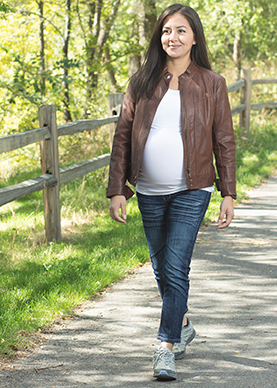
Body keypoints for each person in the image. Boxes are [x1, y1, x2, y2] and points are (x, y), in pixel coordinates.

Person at [106, 3, 236, 381]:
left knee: (176, 266)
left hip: (192, 190)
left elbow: (224, 140)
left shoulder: (212, 83)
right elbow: (123, 139)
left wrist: (228, 192)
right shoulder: (141, 82)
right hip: (147, 190)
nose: (172, 38)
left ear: (194, 37)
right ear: (158, 37)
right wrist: (118, 189)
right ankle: (181, 321)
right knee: (162, 269)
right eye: (166, 31)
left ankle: (165, 347)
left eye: (181, 30)